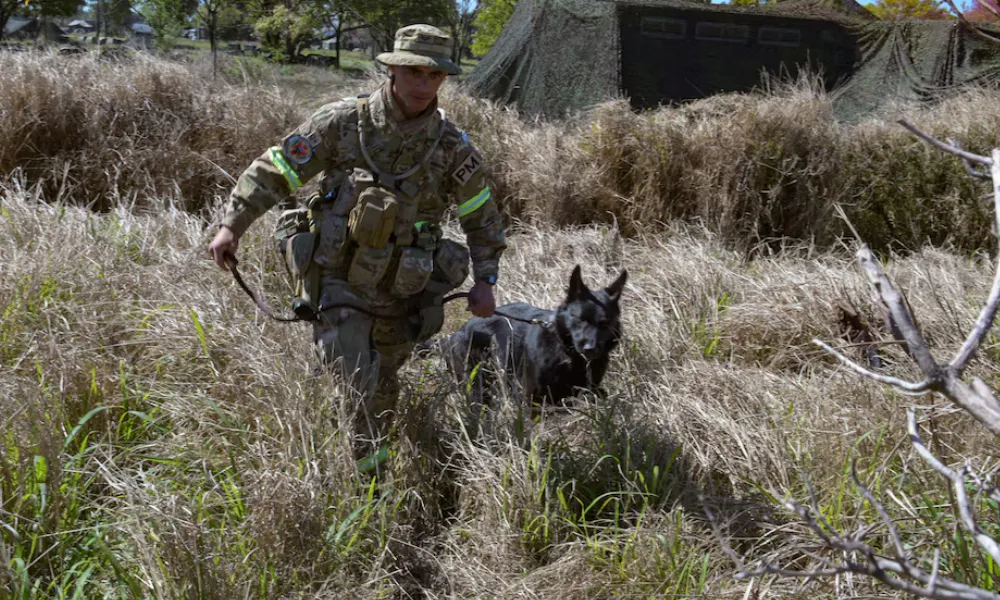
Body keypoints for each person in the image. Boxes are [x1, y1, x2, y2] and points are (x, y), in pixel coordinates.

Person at [207, 24, 507, 448]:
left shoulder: (452, 146)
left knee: (382, 384)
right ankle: (343, 466)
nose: (424, 84)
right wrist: (231, 226)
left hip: (403, 288)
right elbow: (276, 169)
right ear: (393, 71)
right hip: (338, 276)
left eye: (435, 75)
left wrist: (486, 280)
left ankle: (370, 475)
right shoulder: (344, 121)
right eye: (415, 72)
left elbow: (481, 217)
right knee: (351, 376)